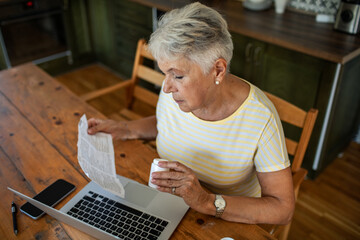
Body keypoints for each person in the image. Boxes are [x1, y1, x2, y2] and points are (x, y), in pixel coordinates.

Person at [87, 2, 294, 225]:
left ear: (218, 70)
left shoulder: (261, 118)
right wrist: (126, 128)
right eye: (165, 73)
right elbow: (167, 124)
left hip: (225, 218)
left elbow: (282, 208)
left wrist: (206, 201)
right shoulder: (176, 93)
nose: (166, 87)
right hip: (170, 203)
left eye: (177, 76)